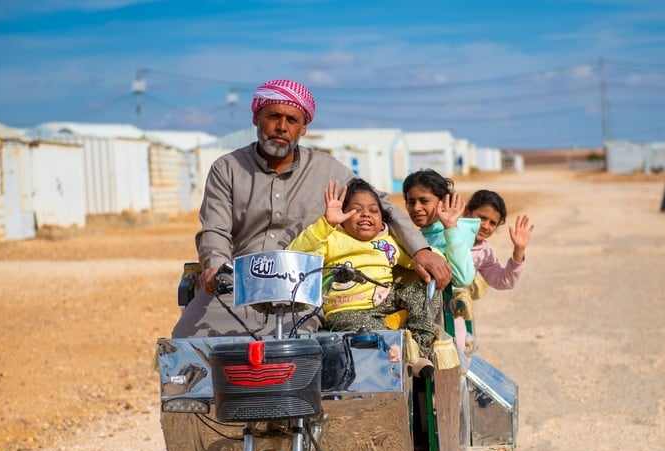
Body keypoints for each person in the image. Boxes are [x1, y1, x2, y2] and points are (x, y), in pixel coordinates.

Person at [171, 79, 451, 338]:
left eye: (292, 120)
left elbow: (383, 205)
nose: (282, 127)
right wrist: (215, 266)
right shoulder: (227, 168)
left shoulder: (327, 170)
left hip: (301, 289)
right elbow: (215, 230)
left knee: (298, 355)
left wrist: (420, 250)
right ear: (256, 118)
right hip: (238, 286)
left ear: (303, 128)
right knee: (187, 344)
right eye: (273, 116)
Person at [286, 179, 439, 374]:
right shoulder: (331, 238)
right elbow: (295, 255)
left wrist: (438, 259)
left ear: (382, 219)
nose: (366, 213)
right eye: (356, 210)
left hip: (385, 301)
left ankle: (417, 351)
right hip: (347, 308)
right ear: (342, 215)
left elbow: (417, 261)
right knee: (369, 331)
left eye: (373, 210)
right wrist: (326, 223)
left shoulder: (387, 242)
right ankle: (398, 355)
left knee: (423, 290)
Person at [402, 169, 478, 289]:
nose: (416, 208)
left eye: (424, 201)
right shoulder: (414, 236)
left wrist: (450, 227)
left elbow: (463, 279)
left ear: (442, 202)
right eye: (411, 202)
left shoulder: (457, 231)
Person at [463, 189, 534, 292]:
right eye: (482, 218)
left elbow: (503, 281)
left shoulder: (484, 252)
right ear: (467, 212)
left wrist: (519, 250)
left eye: (492, 223)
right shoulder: (447, 232)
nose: (486, 226)